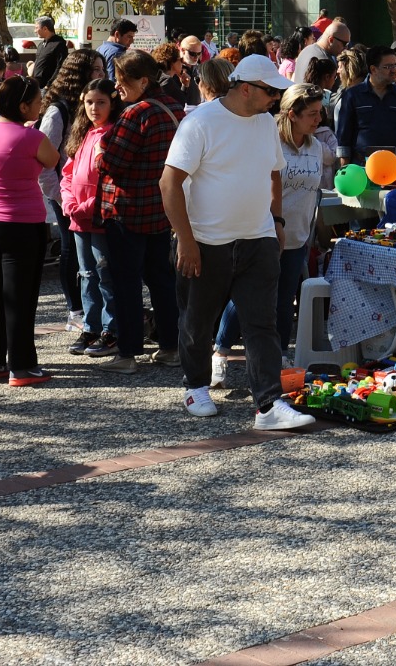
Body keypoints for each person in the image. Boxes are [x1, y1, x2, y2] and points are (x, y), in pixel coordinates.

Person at [161, 54, 314, 431]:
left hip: (257, 239)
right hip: (206, 242)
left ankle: (268, 404)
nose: (275, 99)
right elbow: (169, 183)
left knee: (262, 323)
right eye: (269, 91)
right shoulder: (200, 123)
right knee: (197, 321)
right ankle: (195, 385)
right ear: (245, 88)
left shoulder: (264, 123)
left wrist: (276, 221)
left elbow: (274, 175)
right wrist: (186, 240)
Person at [211, 83, 334, 388]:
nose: (318, 120)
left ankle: (277, 358)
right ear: (292, 114)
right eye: (312, 114)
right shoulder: (269, 142)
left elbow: (313, 193)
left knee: (283, 302)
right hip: (263, 232)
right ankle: (219, 353)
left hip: (297, 237)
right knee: (248, 297)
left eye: (320, 113)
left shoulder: (316, 147)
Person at [0, 76, 59, 386]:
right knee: (20, 297)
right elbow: (53, 160)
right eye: (37, 100)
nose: (41, 104)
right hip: (20, 222)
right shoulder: (31, 137)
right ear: (22, 106)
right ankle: (22, 366)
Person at [98, 49, 183, 368]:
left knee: (125, 282)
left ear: (143, 81)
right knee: (162, 280)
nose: (117, 87)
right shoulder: (175, 108)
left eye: (122, 81)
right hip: (162, 209)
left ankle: (128, 353)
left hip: (128, 210)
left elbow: (111, 163)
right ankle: (171, 347)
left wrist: (99, 153)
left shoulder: (137, 114)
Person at [37, 49, 100, 332]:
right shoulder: (58, 110)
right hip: (65, 194)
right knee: (71, 250)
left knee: (92, 255)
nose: (101, 75)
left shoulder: (95, 104)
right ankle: (75, 309)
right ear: (79, 74)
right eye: (95, 70)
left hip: (91, 194)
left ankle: (94, 308)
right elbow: (44, 165)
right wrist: (62, 198)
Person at [60, 78, 121, 367]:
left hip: (100, 217)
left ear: (112, 103)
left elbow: (109, 182)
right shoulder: (83, 133)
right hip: (79, 219)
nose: (94, 108)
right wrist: (68, 201)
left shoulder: (113, 134)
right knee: (86, 275)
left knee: (105, 273)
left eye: (101, 102)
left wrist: (84, 206)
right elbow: (68, 173)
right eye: (89, 102)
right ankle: (90, 326)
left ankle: (112, 329)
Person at [335, 45, 396, 164]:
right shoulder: (353, 95)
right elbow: (344, 134)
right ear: (373, 69)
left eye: (394, 65)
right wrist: (345, 166)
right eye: (388, 66)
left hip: (395, 166)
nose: (393, 70)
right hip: (361, 167)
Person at [29, 17, 69, 87]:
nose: (35, 31)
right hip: (37, 85)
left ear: (45, 28)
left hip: (49, 87)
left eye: (36, 28)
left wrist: (49, 85)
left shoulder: (59, 44)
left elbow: (60, 67)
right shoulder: (41, 45)